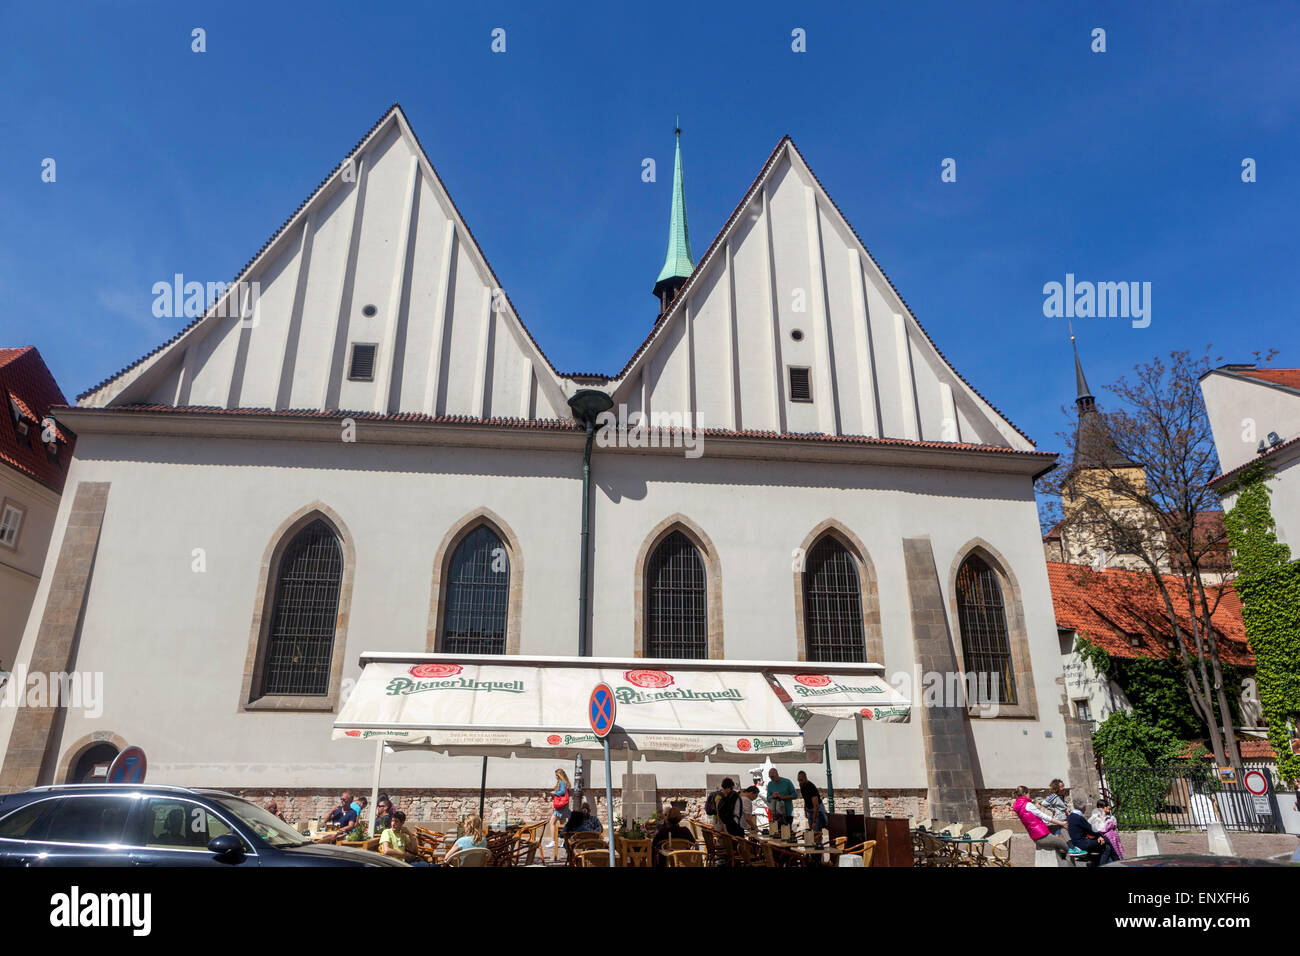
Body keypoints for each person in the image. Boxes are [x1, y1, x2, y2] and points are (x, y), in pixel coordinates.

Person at [1013, 785, 1068, 859]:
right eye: (1029, 793)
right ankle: (1073, 852)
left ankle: (1065, 854)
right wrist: (1062, 823)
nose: (1030, 795)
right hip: (1042, 836)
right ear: (1024, 794)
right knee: (1063, 844)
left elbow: (1033, 819)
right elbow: (1043, 816)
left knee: (1058, 827)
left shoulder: (1018, 805)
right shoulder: (1028, 805)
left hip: (1037, 835)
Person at [1066, 795, 1115, 865]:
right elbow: (1091, 829)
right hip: (1082, 843)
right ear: (1083, 807)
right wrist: (1100, 836)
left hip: (1076, 842)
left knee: (1104, 844)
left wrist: (1098, 836)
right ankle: (1115, 860)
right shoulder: (1079, 817)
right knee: (1106, 845)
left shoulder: (1071, 816)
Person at [544, 768, 572, 861]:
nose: (555, 776)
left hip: (561, 808)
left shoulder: (562, 783)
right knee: (563, 824)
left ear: (559, 775)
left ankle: (553, 841)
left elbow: (562, 792)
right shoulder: (563, 782)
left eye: (556, 775)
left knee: (552, 822)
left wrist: (554, 792)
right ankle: (564, 841)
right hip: (562, 807)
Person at [766, 767, 798, 834]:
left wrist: (783, 797)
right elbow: (768, 798)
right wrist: (772, 796)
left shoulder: (787, 782)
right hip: (776, 814)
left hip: (787, 813)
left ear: (777, 774)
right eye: (770, 777)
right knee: (777, 832)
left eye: (772, 776)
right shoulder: (770, 784)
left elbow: (795, 795)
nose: (771, 778)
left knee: (786, 832)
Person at [796, 771, 828, 837]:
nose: (800, 782)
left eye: (801, 780)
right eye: (798, 780)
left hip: (817, 811)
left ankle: (818, 845)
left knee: (816, 832)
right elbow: (805, 798)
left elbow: (816, 806)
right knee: (812, 832)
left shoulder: (811, 787)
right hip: (809, 810)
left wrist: (814, 821)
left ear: (805, 778)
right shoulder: (802, 786)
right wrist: (805, 810)